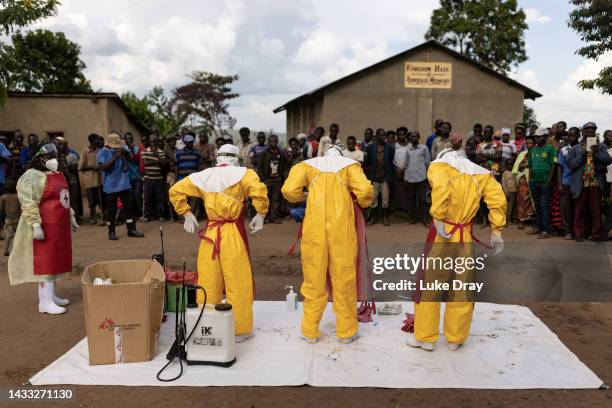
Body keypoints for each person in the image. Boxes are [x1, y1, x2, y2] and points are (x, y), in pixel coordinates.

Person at [407, 133, 506, 352]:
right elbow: (497, 199)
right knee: (461, 285)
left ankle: (426, 337)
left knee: (430, 285)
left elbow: (441, 189)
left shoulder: (439, 167)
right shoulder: (480, 173)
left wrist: (439, 215)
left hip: (443, 233)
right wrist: (496, 230)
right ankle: (456, 338)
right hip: (465, 235)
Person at [169, 144, 269, 342]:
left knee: (208, 280)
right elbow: (259, 191)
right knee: (237, 280)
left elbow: (175, 190)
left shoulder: (204, 176)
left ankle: (206, 324)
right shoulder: (245, 174)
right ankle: (240, 329)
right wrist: (261, 213)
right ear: (236, 158)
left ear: (217, 158)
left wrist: (186, 213)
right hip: (232, 233)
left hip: (211, 233)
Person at [282, 145, 373, 344]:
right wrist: (360, 200)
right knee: (344, 277)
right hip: (342, 230)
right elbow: (366, 191)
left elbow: (289, 190)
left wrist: (304, 196)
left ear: (324, 154)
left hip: (314, 229)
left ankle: (309, 330)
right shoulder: (350, 166)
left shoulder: (306, 166)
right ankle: (346, 331)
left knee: (314, 278)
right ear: (340, 154)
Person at [8, 142, 79, 314]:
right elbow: (29, 201)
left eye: (54, 156)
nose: (52, 160)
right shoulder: (32, 176)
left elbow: (63, 199)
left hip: (58, 227)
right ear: (39, 158)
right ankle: (44, 301)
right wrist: (35, 225)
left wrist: (70, 215)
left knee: (55, 261)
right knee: (45, 263)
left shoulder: (56, 174)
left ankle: (51, 295)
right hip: (44, 225)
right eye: (48, 157)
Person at [567, 122, 612, 242]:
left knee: (596, 210)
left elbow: (608, 160)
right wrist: (583, 153)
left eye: (592, 130)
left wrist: (596, 152)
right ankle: (578, 233)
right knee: (579, 210)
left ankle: (597, 234)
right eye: (587, 130)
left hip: (595, 182)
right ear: (582, 133)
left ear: (595, 132)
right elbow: (571, 165)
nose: (590, 132)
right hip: (581, 182)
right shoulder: (575, 148)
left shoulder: (601, 147)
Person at [97, 133, 144, 240]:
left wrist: (126, 154)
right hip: (111, 185)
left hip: (124, 184)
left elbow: (131, 158)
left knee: (129, 208)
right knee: (111, 210)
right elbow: (102, 167)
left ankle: (131, 230)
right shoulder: (102, 152)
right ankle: (111, 232)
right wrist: (115, 157)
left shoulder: (121, 148)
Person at [528, 128, 557, 239]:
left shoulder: (551, 149)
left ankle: (546, 230)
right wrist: (530, 181)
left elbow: (554, 165)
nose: (537, 138)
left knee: (544, 206)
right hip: (534, 182)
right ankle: (539, 228)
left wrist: (549, 180)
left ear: (545, 137)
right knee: (537, 206)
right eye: (536, 136)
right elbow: (530, 166)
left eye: (539, 136)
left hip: (545, 182)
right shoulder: (532, 150)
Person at [398, 131, 431, 225]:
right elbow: (406, 164)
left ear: (418, 137)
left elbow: (428, 163)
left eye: (415, 136)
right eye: (412, 137)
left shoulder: (424, 148)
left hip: (421, 177)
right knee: (412, 199)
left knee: (422, 199)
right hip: (410, 177)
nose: (413, 138)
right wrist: (405, 177)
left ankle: (424, 219)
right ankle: (414, 218)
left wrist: (428, 177)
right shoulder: (408, 149)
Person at [365, 128, 395, 226]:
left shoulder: (390, 148)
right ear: (376, 136)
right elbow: (368, 161)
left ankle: (385, 218)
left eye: (384, 135)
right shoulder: (370, 147)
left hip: (385, 178)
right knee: (373, 199)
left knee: (385, 199)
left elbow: (391, 162)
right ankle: (374, 218)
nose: (383, 137)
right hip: (374, 177)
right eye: (381, 135)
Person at [141, 134, 169, 222]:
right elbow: (146, 163)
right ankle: (146, 215)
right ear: (149, 142)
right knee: (147, 198)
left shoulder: (161, 152)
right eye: (151, 141)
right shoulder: (145, 151)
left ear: (157, 142)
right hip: (148, 179)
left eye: (155, 141)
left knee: (160, 199)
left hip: (159, 179)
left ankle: (160, 215)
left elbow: (164, 163)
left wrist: (155, 155)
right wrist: (158, 160)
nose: (153, 143)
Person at [258, 134, 285, 224]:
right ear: (269, 142)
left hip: (277, 180)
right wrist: (263, 177)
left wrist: (281, 176)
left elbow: (283, 165)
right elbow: (259, 166)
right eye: (272, 141)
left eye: (275, 141)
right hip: (267, 180)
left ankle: (273, 217)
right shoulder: (264, 153)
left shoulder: (280, 153)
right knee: (265, 199)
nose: (274, 143)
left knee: (276, 199)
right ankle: (264, 217)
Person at [557, 128, 579, 240]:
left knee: (577, 208)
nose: (571, 138)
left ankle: (577, 230)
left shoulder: (582, 149)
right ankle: (568, 231)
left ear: (578, 136)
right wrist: (560, 184)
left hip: (579, 183)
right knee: (566, 209)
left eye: (574, 136)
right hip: (566, 182)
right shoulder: (564, 150)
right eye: (569, 136)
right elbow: (559, 168)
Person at [78, 134, 104, 225]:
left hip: (98, 180)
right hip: (89, 180)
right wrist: (93, 167)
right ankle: (93, 217)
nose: (98, 141)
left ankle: (100, 217)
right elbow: (80, 167)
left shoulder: (99, 151)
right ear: (92, 141)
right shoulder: (85, 152)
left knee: (99, 199)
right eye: (97, 140)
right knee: (91, 200)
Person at [512, 135, 535, 230]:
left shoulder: (537, 153)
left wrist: (525, 165)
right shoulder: (523, 154)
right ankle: (522, 220)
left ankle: (533, 220)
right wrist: (526, 165)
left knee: (534, 199)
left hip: (534, 177)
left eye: (531, 143)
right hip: (524, 178)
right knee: (522, 199)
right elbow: (517, 167)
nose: (529, 145)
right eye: (527, 143)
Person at [124, 133, 143, 219]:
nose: (129, 140)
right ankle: (132, 214)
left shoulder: (136, 148)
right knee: (129, 196)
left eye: (130, 138)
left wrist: (130, 151)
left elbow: (136, 160)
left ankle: (139, 213)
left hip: (136, 175)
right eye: (127, 139)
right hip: (127, 177)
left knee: (137, 195)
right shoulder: (122, 148)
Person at [0, 180, 21, 256]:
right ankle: (16, 251)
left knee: (8, 235)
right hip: (18, 219)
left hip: (8, 219)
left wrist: (2, 220)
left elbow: (1, 210)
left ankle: (6, 250)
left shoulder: (3, 197)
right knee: (17, 236)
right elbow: (21, 208)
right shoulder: (18, 196)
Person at [501, 157, 518, 224]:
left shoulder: (515, 172)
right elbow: (503, 183)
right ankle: (508, 219)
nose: (510, 166)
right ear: (506, 165)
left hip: (515, 190)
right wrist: (506, 192)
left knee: (515, 206)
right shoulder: (505, 173)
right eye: (508, 164)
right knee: (509, 207)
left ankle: (514, 218)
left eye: (511, 164)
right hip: (509, 192)